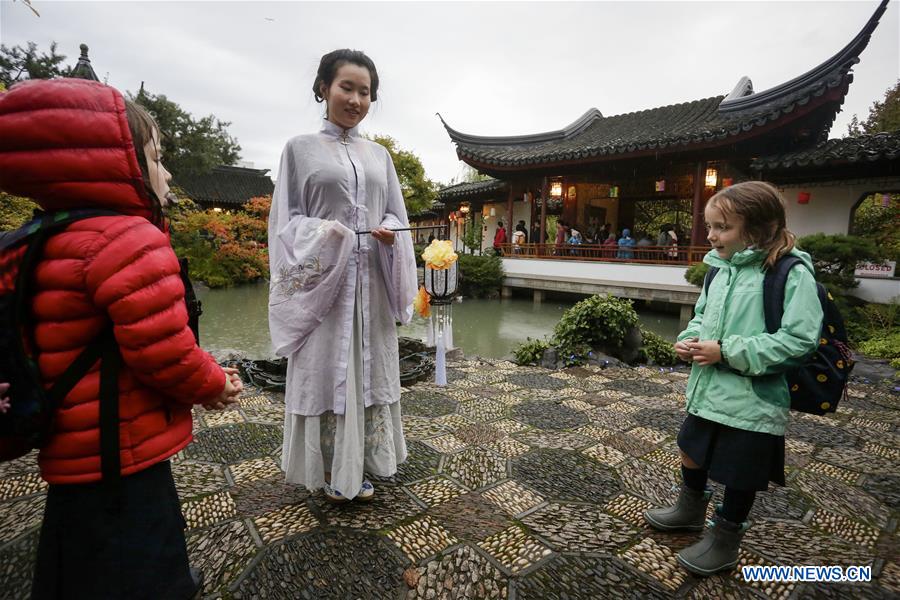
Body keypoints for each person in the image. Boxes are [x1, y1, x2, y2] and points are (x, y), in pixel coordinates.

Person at [0, 78, 242, 599]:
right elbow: (164, 353)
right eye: (156, 158)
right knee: (140, 553)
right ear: (117, 165)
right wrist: (214, 385)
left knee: (75, 549)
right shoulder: (128, 241)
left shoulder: (42, 234)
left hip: (68, 437)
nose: (167, 172)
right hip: (121, 442)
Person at [643, 181, 822, 576]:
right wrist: (690, 339)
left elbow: (799, 341)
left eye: (722, 227)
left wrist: (726, 351)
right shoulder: (719, 270)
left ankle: (726, 539)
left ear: (758, 229)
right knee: (690, 448)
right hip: (708, 389)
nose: (711, 235)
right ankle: (690, 508)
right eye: (710, 226)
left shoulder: (789, 273)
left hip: (754, 398)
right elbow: (701, 317)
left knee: (741, 472)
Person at [269, 49, 417, 504]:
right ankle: (331, 465)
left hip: (371, 283)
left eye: (365, 92)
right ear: (324, 89)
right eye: (346, 88)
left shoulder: (380, 156)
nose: (355, 100)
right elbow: (286, 221)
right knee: (327, 370)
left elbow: (395, 214)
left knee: (368, 368)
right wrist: (330, 235)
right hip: (323, 288)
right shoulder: (299, 149)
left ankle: (365, 460)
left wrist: (389, 233)